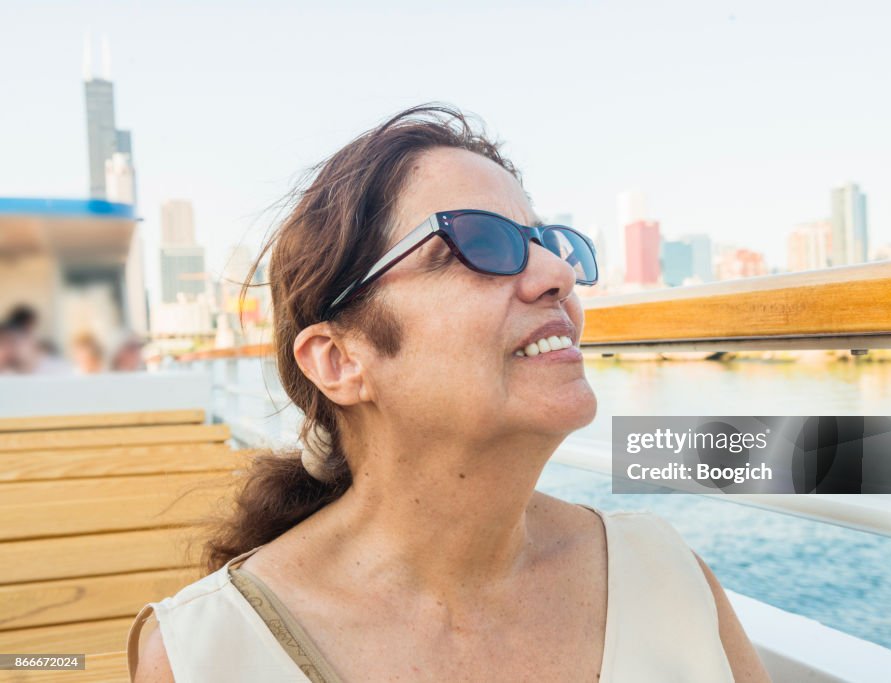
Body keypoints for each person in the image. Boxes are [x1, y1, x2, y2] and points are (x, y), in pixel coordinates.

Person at [129, 105, 770, 682]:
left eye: (550, 243)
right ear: (340, 360)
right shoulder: (204, 656)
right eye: (479, 243)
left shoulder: (663, 571)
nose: (557, 274)